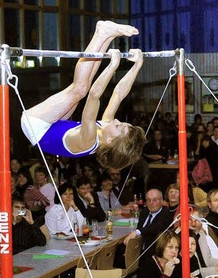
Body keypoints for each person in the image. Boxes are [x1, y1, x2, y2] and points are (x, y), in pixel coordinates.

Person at [21, 22, 145, 170]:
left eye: (118, 125)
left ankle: (101, 34)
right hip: (56, 124)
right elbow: (118, 95)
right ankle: (107, 36)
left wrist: (113, 66)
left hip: (35, 125)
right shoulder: (106, 129)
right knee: (81, 89)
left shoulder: (89, 140)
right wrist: (137, 65)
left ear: (110, 140)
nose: (116, 120)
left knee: (80, 89)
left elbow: (94, 95)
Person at [123, 189, 175, 262]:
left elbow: (154, 227)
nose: (151, 203)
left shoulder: (166, 214)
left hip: (153, 255)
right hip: (138, 250)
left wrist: (137, 232)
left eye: (155, 200)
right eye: (148, 200)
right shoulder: (145, 211)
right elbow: (139, 229)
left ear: (162, 201)